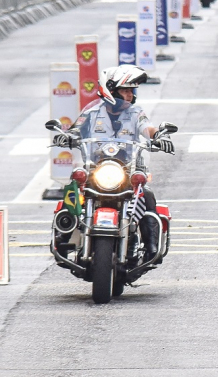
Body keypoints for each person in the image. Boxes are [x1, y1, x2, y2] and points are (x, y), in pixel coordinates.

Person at [53, 65, 175, 263]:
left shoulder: (136, 112)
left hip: (127, 169)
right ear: (110, 89)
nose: (130, 95)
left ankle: (151, 246)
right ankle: (64, 237)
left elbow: (148, 128)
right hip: (97, 168)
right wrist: (66, 136)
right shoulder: (91, 111)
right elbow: (76, 129)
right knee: (74, 185)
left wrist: (160, 136)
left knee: (147, 194)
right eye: (125, 90)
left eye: (131, 91)